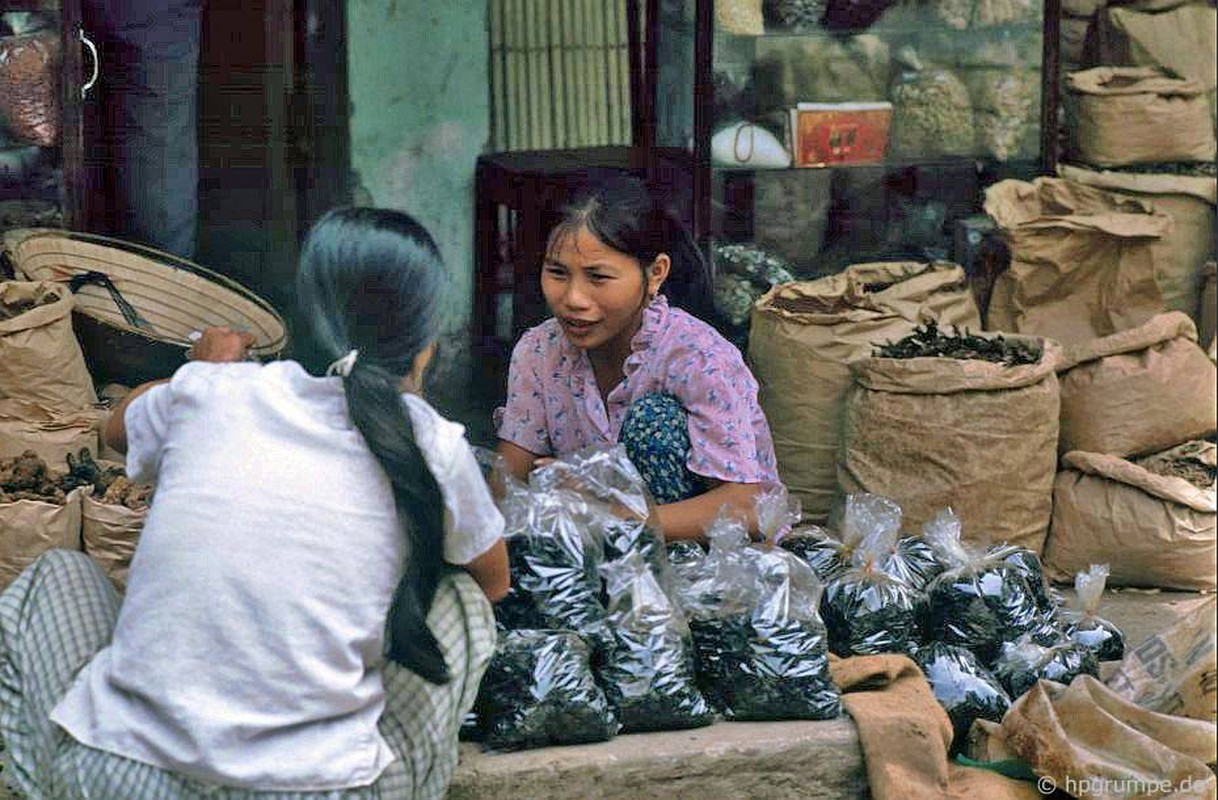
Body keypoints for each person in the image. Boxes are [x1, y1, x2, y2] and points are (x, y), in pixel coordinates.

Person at [0, 207, 509, 799]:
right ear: (426, 343)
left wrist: (200, 369)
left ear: (300, 316)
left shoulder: (213, 392)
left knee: (57, 576)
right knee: (463, 602)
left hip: (130, 782)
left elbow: (115, 428)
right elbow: (492, 581)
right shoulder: (431, 441)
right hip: (321, 790)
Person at [495, 173, 780, 541]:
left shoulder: (700, 358)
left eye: (598, 277)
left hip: (703, 559)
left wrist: (606, 514)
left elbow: (745, 507)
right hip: (589, 550)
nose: (573, 298)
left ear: (656, 273)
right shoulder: (539, 351)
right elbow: (507, 484)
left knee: (654, 423)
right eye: (557, 273)